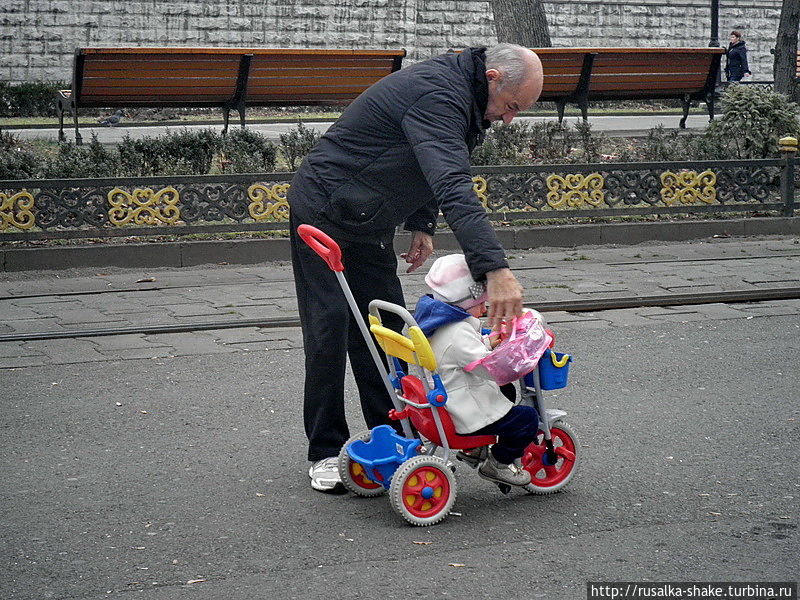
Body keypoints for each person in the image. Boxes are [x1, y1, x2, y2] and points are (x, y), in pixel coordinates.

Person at [288, 43, 544, 493]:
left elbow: (432, 158)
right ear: (492, 78)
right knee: (330, 328)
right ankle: (325, 450)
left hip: (368, 216)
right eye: (510, 107)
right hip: (325, 208)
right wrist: (496, 270)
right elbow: (452, 183)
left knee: (385, 328)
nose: (508, 120)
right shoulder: (439, 94)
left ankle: (390, 433)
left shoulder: (464, 95)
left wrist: (421, 223)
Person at [413, 254, 540, 486]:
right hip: (462, 411)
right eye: (480, 304)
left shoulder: (438, 321)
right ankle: (499, 464)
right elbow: (488, 369)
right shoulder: (458, 331)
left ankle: (476, 449)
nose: (483, 309)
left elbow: (460, 353)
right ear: (464, 303)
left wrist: (489, 343)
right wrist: (515, 360)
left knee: (507, 392)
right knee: (528, 419)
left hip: (449, 394)